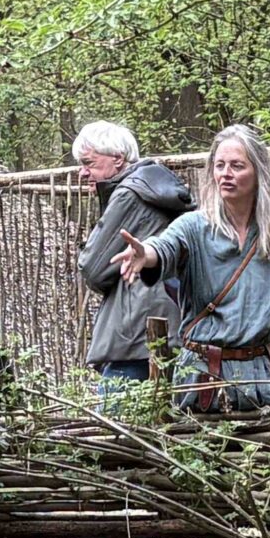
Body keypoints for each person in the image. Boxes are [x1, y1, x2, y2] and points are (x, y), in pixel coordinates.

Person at [110, 124, 270, 411]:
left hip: (258, 379)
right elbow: (167, 246)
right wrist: (148, 253)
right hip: (201, 379)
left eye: (237, 166)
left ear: (258, 172)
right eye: (220, 165)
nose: (226, 173)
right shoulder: (193, 227)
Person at [72, 121, 194, 382]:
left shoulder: (129, 194)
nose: (82, 173)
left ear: (118, 159)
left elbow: (93, 268)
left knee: (117, 404)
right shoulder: (154, 189)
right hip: (165, 323)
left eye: (88, 163)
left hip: (134, 332)